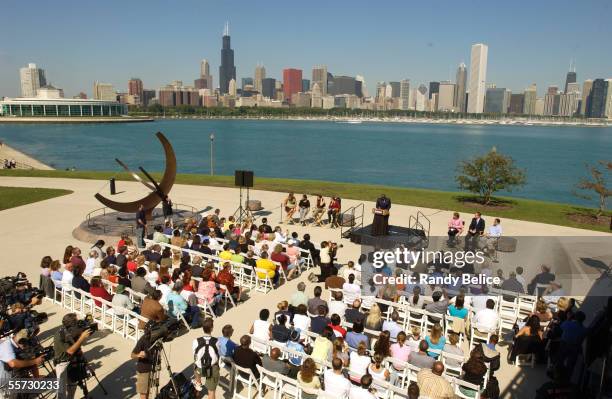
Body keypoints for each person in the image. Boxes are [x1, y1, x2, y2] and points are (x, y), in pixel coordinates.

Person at [54, 313, 92, 399]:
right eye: (76, 321)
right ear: (71, 324)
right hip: (62, 363)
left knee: (72, 385)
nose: (78, 323)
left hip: (73, 361)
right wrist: (81, 338)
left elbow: (77, 344)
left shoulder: (72, 330)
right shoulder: (60, 335)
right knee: (61, 391)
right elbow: (70, 351)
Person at [0, 329, 45, 395]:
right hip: (5, 383)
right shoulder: (6, 346)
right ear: (21, 341)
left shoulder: (16, 344)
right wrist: (35, 361)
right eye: (25, 344)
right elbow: (13, 363)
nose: (25, 347)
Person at [192, 318, 219, 397]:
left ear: (202, 328)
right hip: (212, 368)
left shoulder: (195, 341)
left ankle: (198, 385)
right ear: (212, 328)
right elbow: (218, 354)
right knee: (211, 392)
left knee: (195, 366)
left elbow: (195, 356)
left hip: (199, 368)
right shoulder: (217, 341)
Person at [131, 323, 157, 399]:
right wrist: (139, 354)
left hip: (151, 368)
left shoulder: (155, 338)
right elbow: (132, 355)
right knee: (143, 394)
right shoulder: (142, 340)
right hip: (143, 370)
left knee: (148, 391)